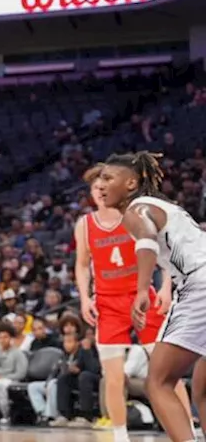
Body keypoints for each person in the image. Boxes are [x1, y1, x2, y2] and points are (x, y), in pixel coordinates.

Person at [99, 152, 206, 442]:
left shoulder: (136, 211)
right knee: (202, 389)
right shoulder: (166, 207)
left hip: (200, 286)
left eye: (108, 178)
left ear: (131, 183)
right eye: (99, 178)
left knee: (158, 382)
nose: (101, 184)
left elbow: (146, 240)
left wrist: (142, 288)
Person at [75, 164, 185, 438]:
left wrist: (166, 288)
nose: (101, 191)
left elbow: (164, 255)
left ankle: (189, 430)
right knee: (113, 376)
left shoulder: (136, 216)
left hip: (143, 299)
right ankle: (120, 435)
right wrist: (84, 297)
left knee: (166, 372)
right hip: (108, 305)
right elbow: (82, 265)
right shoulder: (85, 225)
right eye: (96, 188)